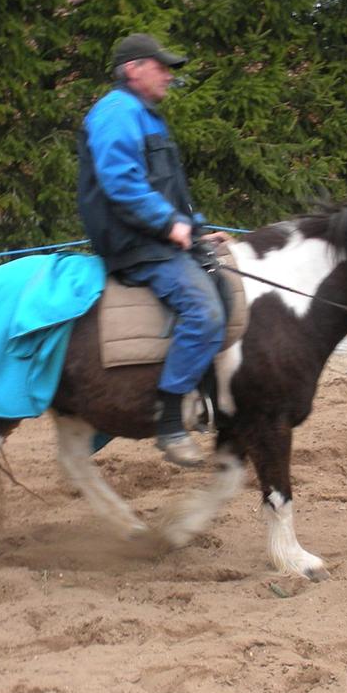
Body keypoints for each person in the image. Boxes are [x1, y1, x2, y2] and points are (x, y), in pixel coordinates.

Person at [76, 33, 229, 467]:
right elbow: (121, 183)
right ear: (132, 69)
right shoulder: (116, 113)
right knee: (205, 313)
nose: (168, 74)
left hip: (156, 238)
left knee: (222, 287)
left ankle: (206, 401)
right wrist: (168, 225)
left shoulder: (146, 117)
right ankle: (168, 420)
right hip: (136, 245)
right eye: (160, 66)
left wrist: (196, 230)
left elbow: (169, 191)